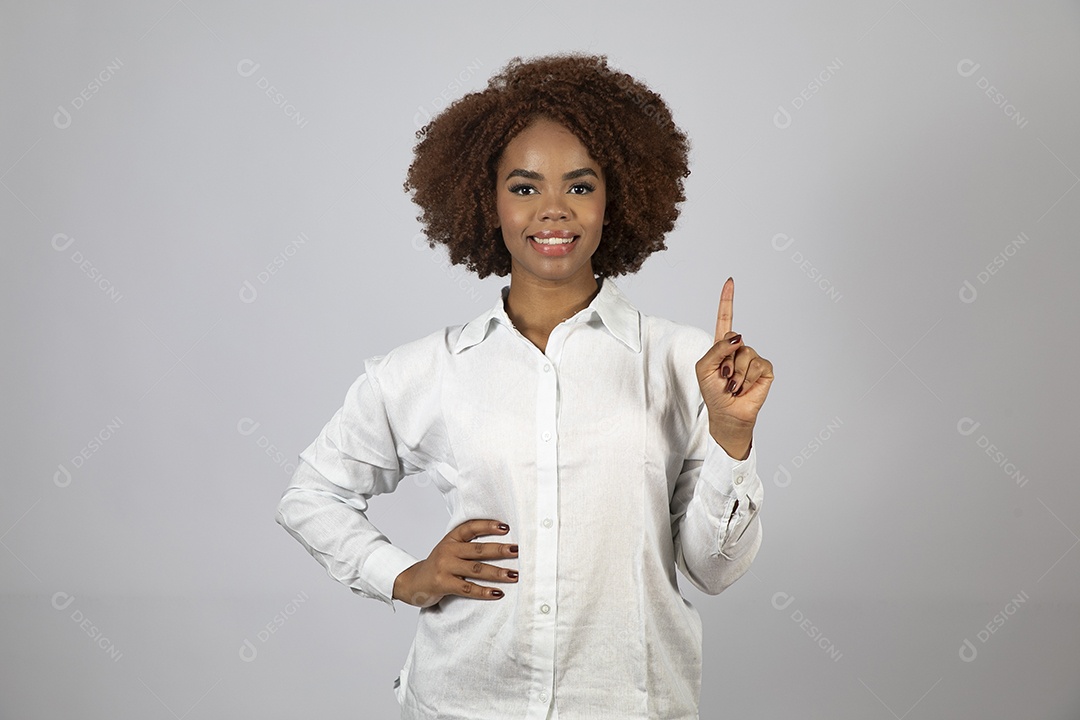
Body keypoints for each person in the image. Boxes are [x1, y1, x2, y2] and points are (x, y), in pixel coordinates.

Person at [275, 52, 774, 720]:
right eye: (523, 187)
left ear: (614, 197)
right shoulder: (428, 369)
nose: (552, 211)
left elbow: (713, 570)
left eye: (579, 185)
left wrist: (732, 435)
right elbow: (311, 495)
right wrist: (403, 576)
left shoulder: (685, 363)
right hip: (463, 702)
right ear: (487, 201)